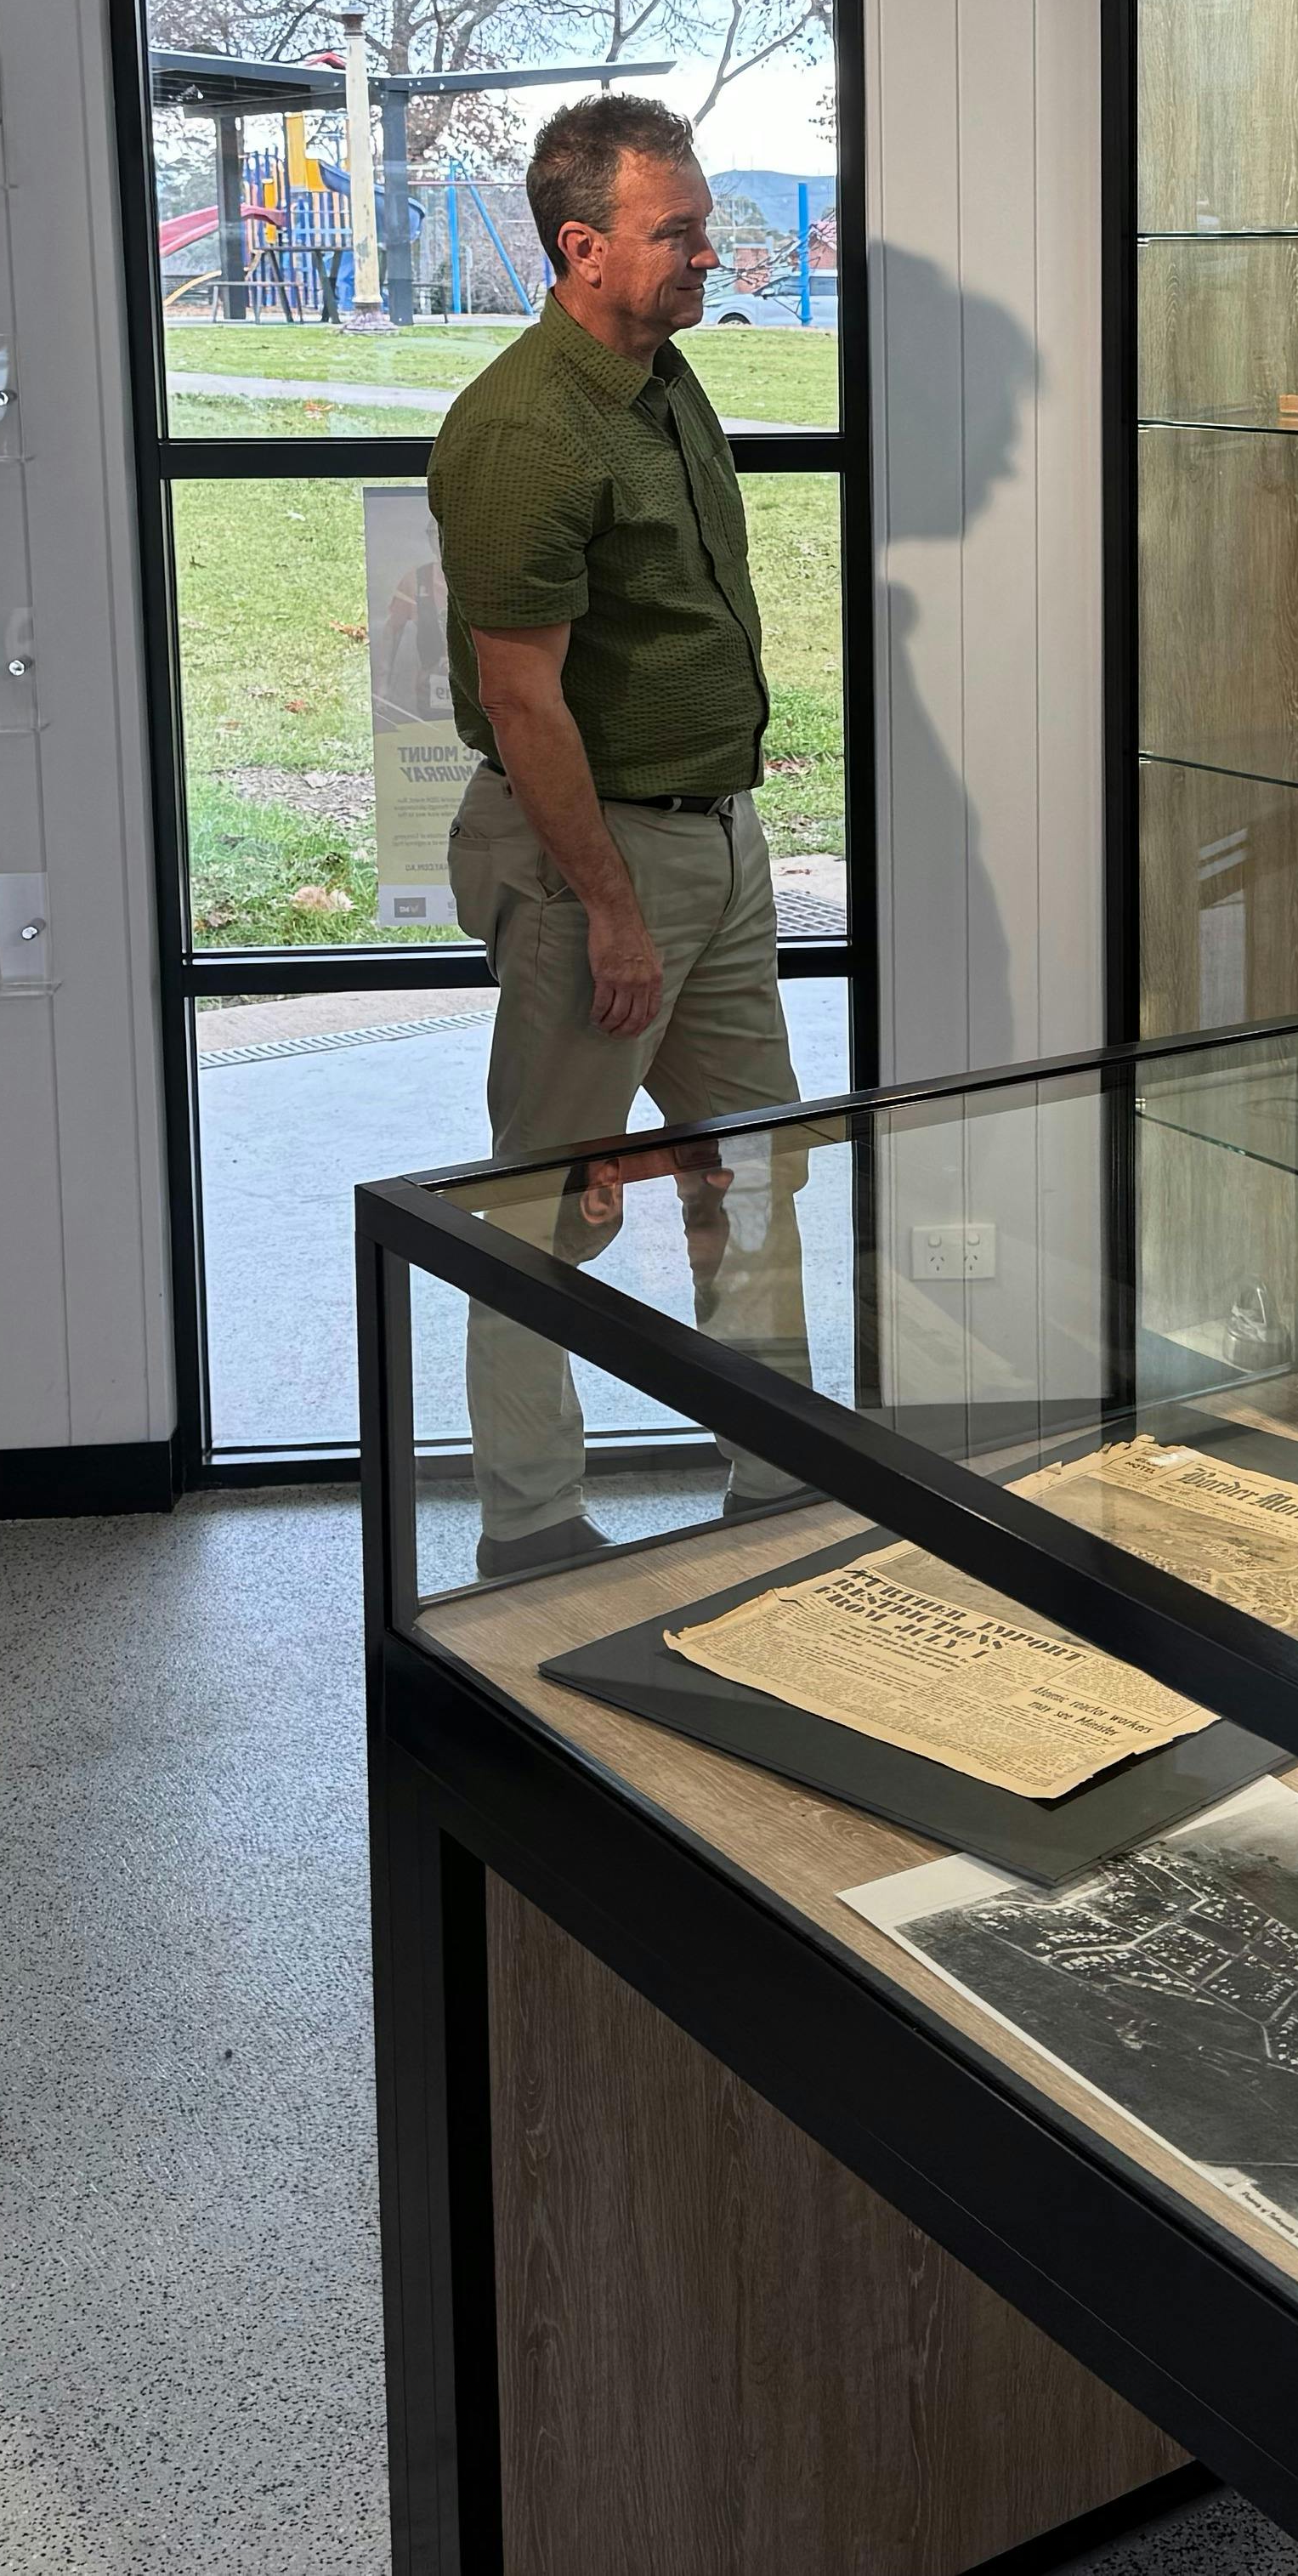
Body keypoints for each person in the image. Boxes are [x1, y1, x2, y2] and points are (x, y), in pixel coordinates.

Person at [428, 90, 809, 1575]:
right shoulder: (523, 430)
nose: (709, 256)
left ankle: (781, 1490)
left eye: (705, 227)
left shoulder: (659, 377)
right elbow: (524, 705)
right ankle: (529, 1530)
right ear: (581, 246)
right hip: (597, 857)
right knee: (545, 1202)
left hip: (714, 839)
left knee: (753, 1168)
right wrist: (614, 914)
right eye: (680, 233)